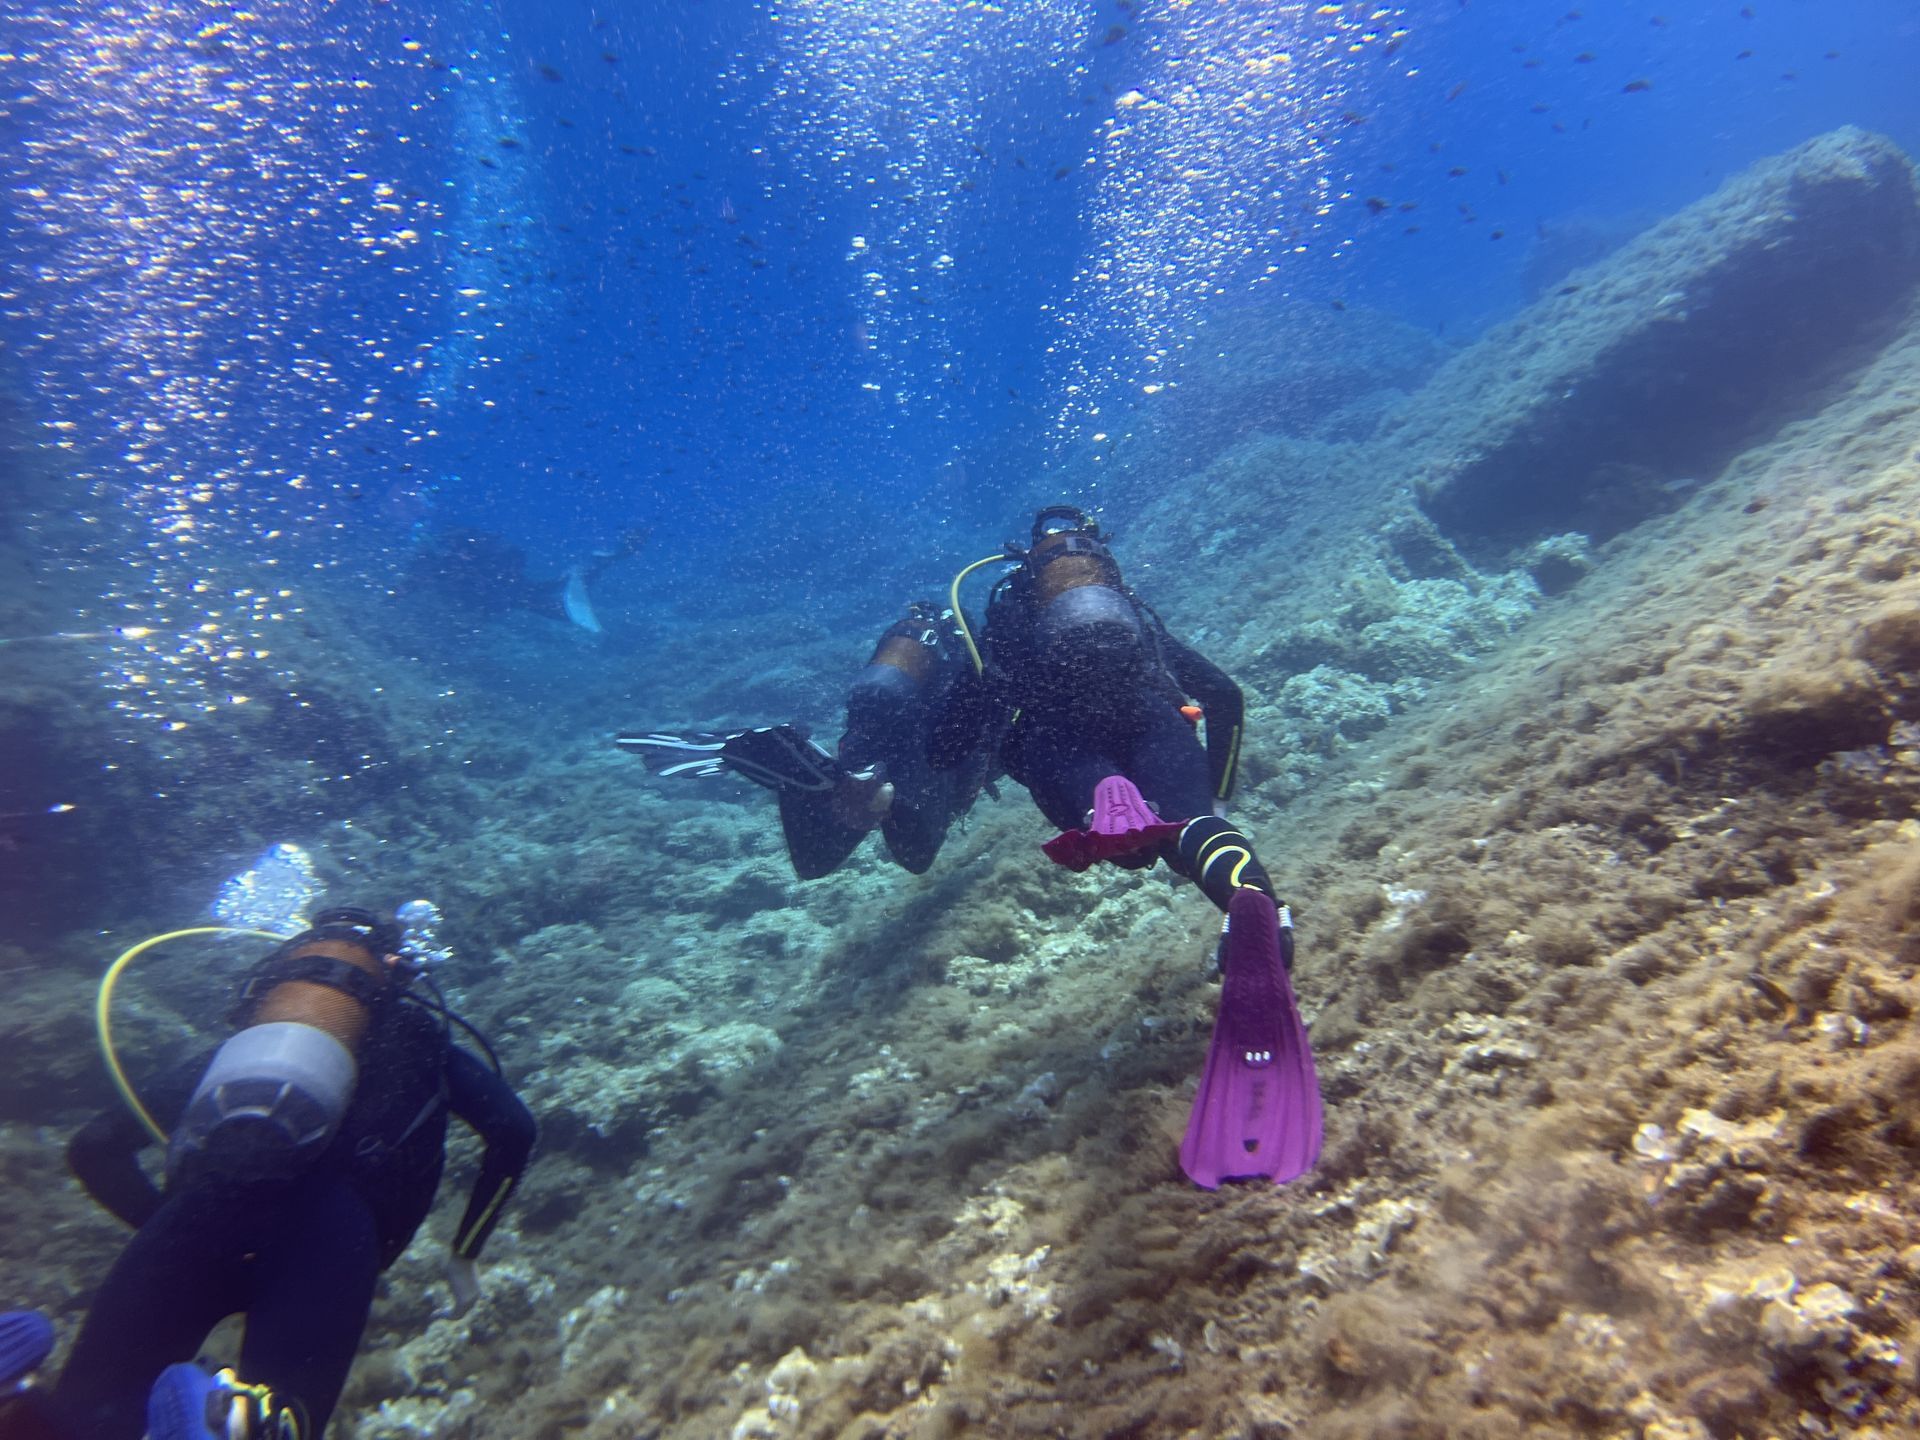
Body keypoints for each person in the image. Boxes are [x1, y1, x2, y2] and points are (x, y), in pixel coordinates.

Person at [0, 908, 537, 1440]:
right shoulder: (422, 1039)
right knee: (278, 1419)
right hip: (331, 1233)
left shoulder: (237, 1056)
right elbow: (514, 1130)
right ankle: (224, 1425)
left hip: (199, 1212)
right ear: (395, 973)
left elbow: (93, 1148)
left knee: (84, 1419)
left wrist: (169, 1229)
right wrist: (463, 1254)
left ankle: (19, 1402)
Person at [935, 506, 1323, 1188]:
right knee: (1193, 829)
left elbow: (955, 735)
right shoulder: (1131, 613)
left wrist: (975, 748)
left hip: (1058, 737)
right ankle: (1253, 903)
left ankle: (1106, 801)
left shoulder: (1010, 610)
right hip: (1149, 714)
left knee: (1106, 816)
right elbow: (1223, 694)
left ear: (1026, 559)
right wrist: (1219, 795)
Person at [619, 599, 992, 879]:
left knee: (819, 856)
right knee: (914, 855)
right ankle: (822, 770)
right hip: (916, 745)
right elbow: (967, 751)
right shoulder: (981, 680)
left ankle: (818, 769)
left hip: (879, 733)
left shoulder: (964, 675)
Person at [402, 525, 647, 634]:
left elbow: (413, 585)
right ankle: (597, 564)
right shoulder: (443, 559)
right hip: (502, 587)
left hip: (500, 589)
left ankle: (595, 565)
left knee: (550, 606)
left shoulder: (441, 561)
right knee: (539, 595)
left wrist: (393, 599)